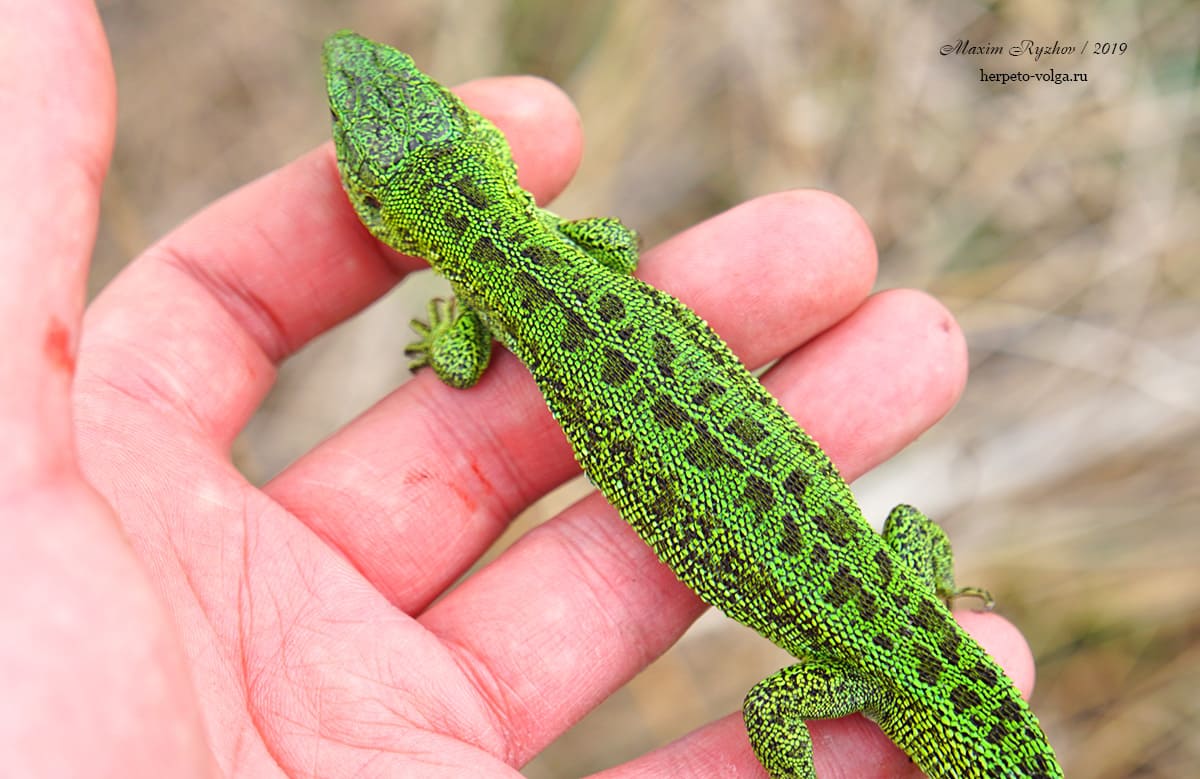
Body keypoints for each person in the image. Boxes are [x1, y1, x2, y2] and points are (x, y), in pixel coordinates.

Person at [1, 1, 1039, 775]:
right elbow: (622, 238)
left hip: (860, 638)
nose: (347, 72)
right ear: (488, 152)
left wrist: (444, 327)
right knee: (903, 548)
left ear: (383, 211)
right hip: (886, 605)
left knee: (779, 708)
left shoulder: (479, 305)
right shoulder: (564, 244)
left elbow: (456, 366)